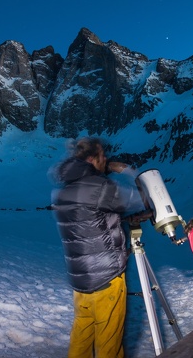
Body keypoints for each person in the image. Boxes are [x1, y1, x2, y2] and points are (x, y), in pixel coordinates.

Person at [51, 137, 135, 358]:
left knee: (82, 336)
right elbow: (139, 200)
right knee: (109, 342)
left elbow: (91, 219)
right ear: (91, 159)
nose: (106, 159)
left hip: (81, 280)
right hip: (107, 278)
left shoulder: (63, 192)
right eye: (102, 156)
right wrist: (126, 170)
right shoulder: (99, 187)